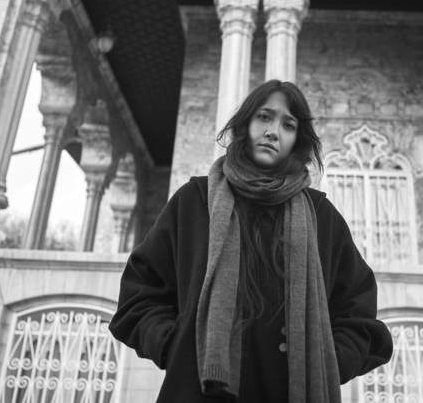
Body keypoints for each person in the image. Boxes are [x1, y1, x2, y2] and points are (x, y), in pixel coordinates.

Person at [109, 80, 393, 403]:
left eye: (288, 125)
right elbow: (139, 295)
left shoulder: (321, 217)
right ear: (245, 125)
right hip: (201, 393)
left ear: (297, 140)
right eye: (264, 117)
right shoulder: (195, 202)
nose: (273, 132)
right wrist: (177, 347)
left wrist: (324, 363)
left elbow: (359, 317)